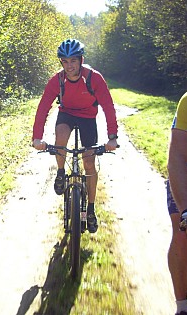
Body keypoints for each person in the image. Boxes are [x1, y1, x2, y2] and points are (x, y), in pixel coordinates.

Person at [32, 39, 118, 233]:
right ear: (61, 63)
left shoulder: (94, 78)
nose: (69, 66)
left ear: (81, 60)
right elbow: (43, 107)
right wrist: (37, 137)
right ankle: (61, 172)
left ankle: (91, 209)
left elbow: (108, 106)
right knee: (60, 138)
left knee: (89, 162)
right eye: (65, 61)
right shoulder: (57, 80)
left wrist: (112, 136)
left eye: (73, 61)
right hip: (67, 113)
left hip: (88, 116)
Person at [166, 90, 187, 315]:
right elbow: (178, 157)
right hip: (185, 168)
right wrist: (186, 212)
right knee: (183, 233)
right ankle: (182, 307)